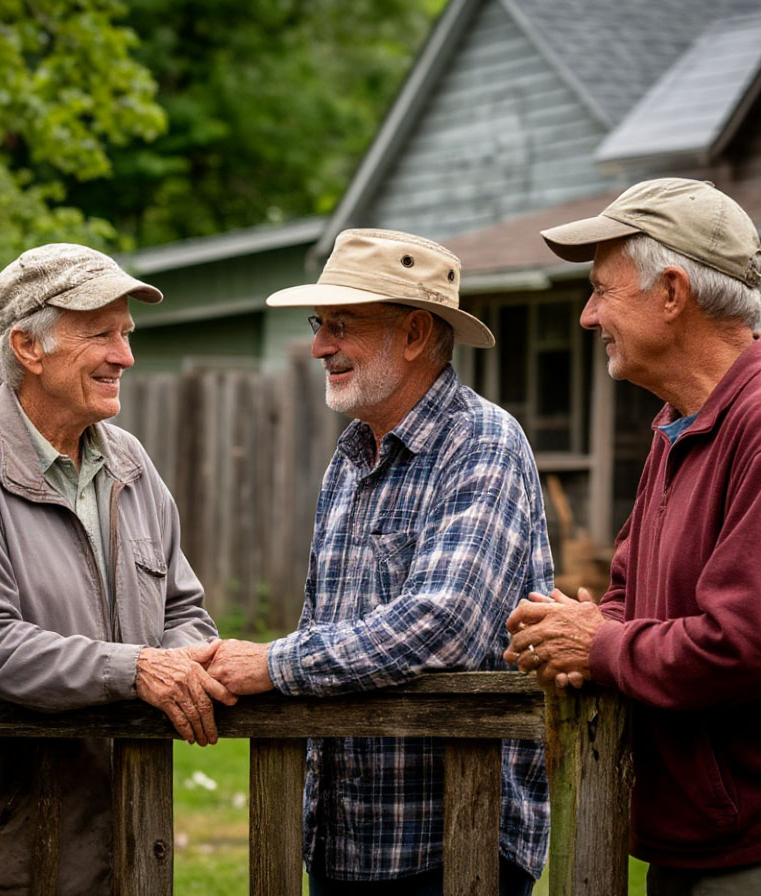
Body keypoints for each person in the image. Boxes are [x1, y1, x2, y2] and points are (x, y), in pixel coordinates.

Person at [206, 228, 552, 895]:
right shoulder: (352, 455)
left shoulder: (482, 443)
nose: (319, 345)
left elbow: (440, 625)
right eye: (319, 323)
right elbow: (331, 622)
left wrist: (272, 664)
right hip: (343, 840)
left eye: (342, 324)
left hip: (454, 842)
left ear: (416, 334)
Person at [504, 178, 761, 894]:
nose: (586, 316)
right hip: (698, 842)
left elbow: (746, 645)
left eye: (601, 291)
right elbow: (625, 598)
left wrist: (600, 644)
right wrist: (573, 631)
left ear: (672, 292)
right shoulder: (680, 424)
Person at [0, 243, 232, 895]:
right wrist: (134, 670)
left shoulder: (129, 462)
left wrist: (176, 664)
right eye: (101, 335)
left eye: (126, 334)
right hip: (12, 857)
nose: (125, 356)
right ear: (28, 348)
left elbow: (184, 609)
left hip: (137, 840)